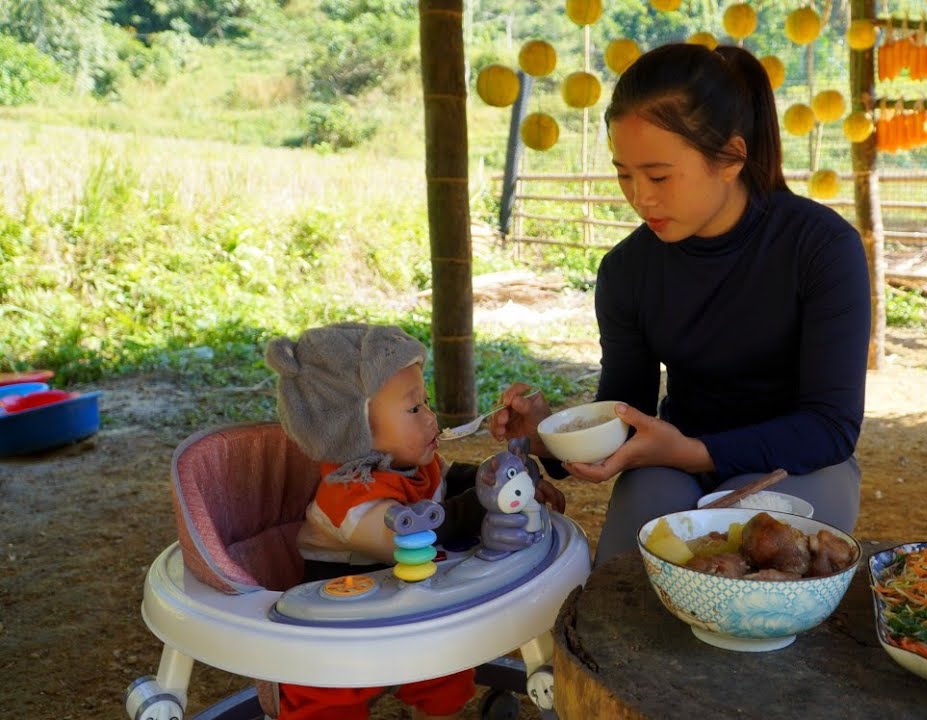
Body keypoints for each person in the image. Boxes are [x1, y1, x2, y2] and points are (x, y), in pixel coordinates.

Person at [490, 42, 870, 566]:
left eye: (659, 176)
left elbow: (831, 425)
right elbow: (628, 412)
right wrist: (547, 436)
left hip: (802, 460)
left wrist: (691, 450)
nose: (640, 197)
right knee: (626, 586)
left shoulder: (821, 248)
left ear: (731, 158)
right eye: (625, 174)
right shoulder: (627, 270)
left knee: (757, 580)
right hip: (671, 459)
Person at [265, 322, 564, 720]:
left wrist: (502, 477)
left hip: (412, 613)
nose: (431, 418)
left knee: (447, 661)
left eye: (426, 402)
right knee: (322, 693)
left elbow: (448, 481)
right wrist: (489, 501)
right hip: (337, 632)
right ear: (352, 427)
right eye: (414, 408)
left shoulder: (408, 465)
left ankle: (443, 711)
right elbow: (414, 536)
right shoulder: (347, 496)